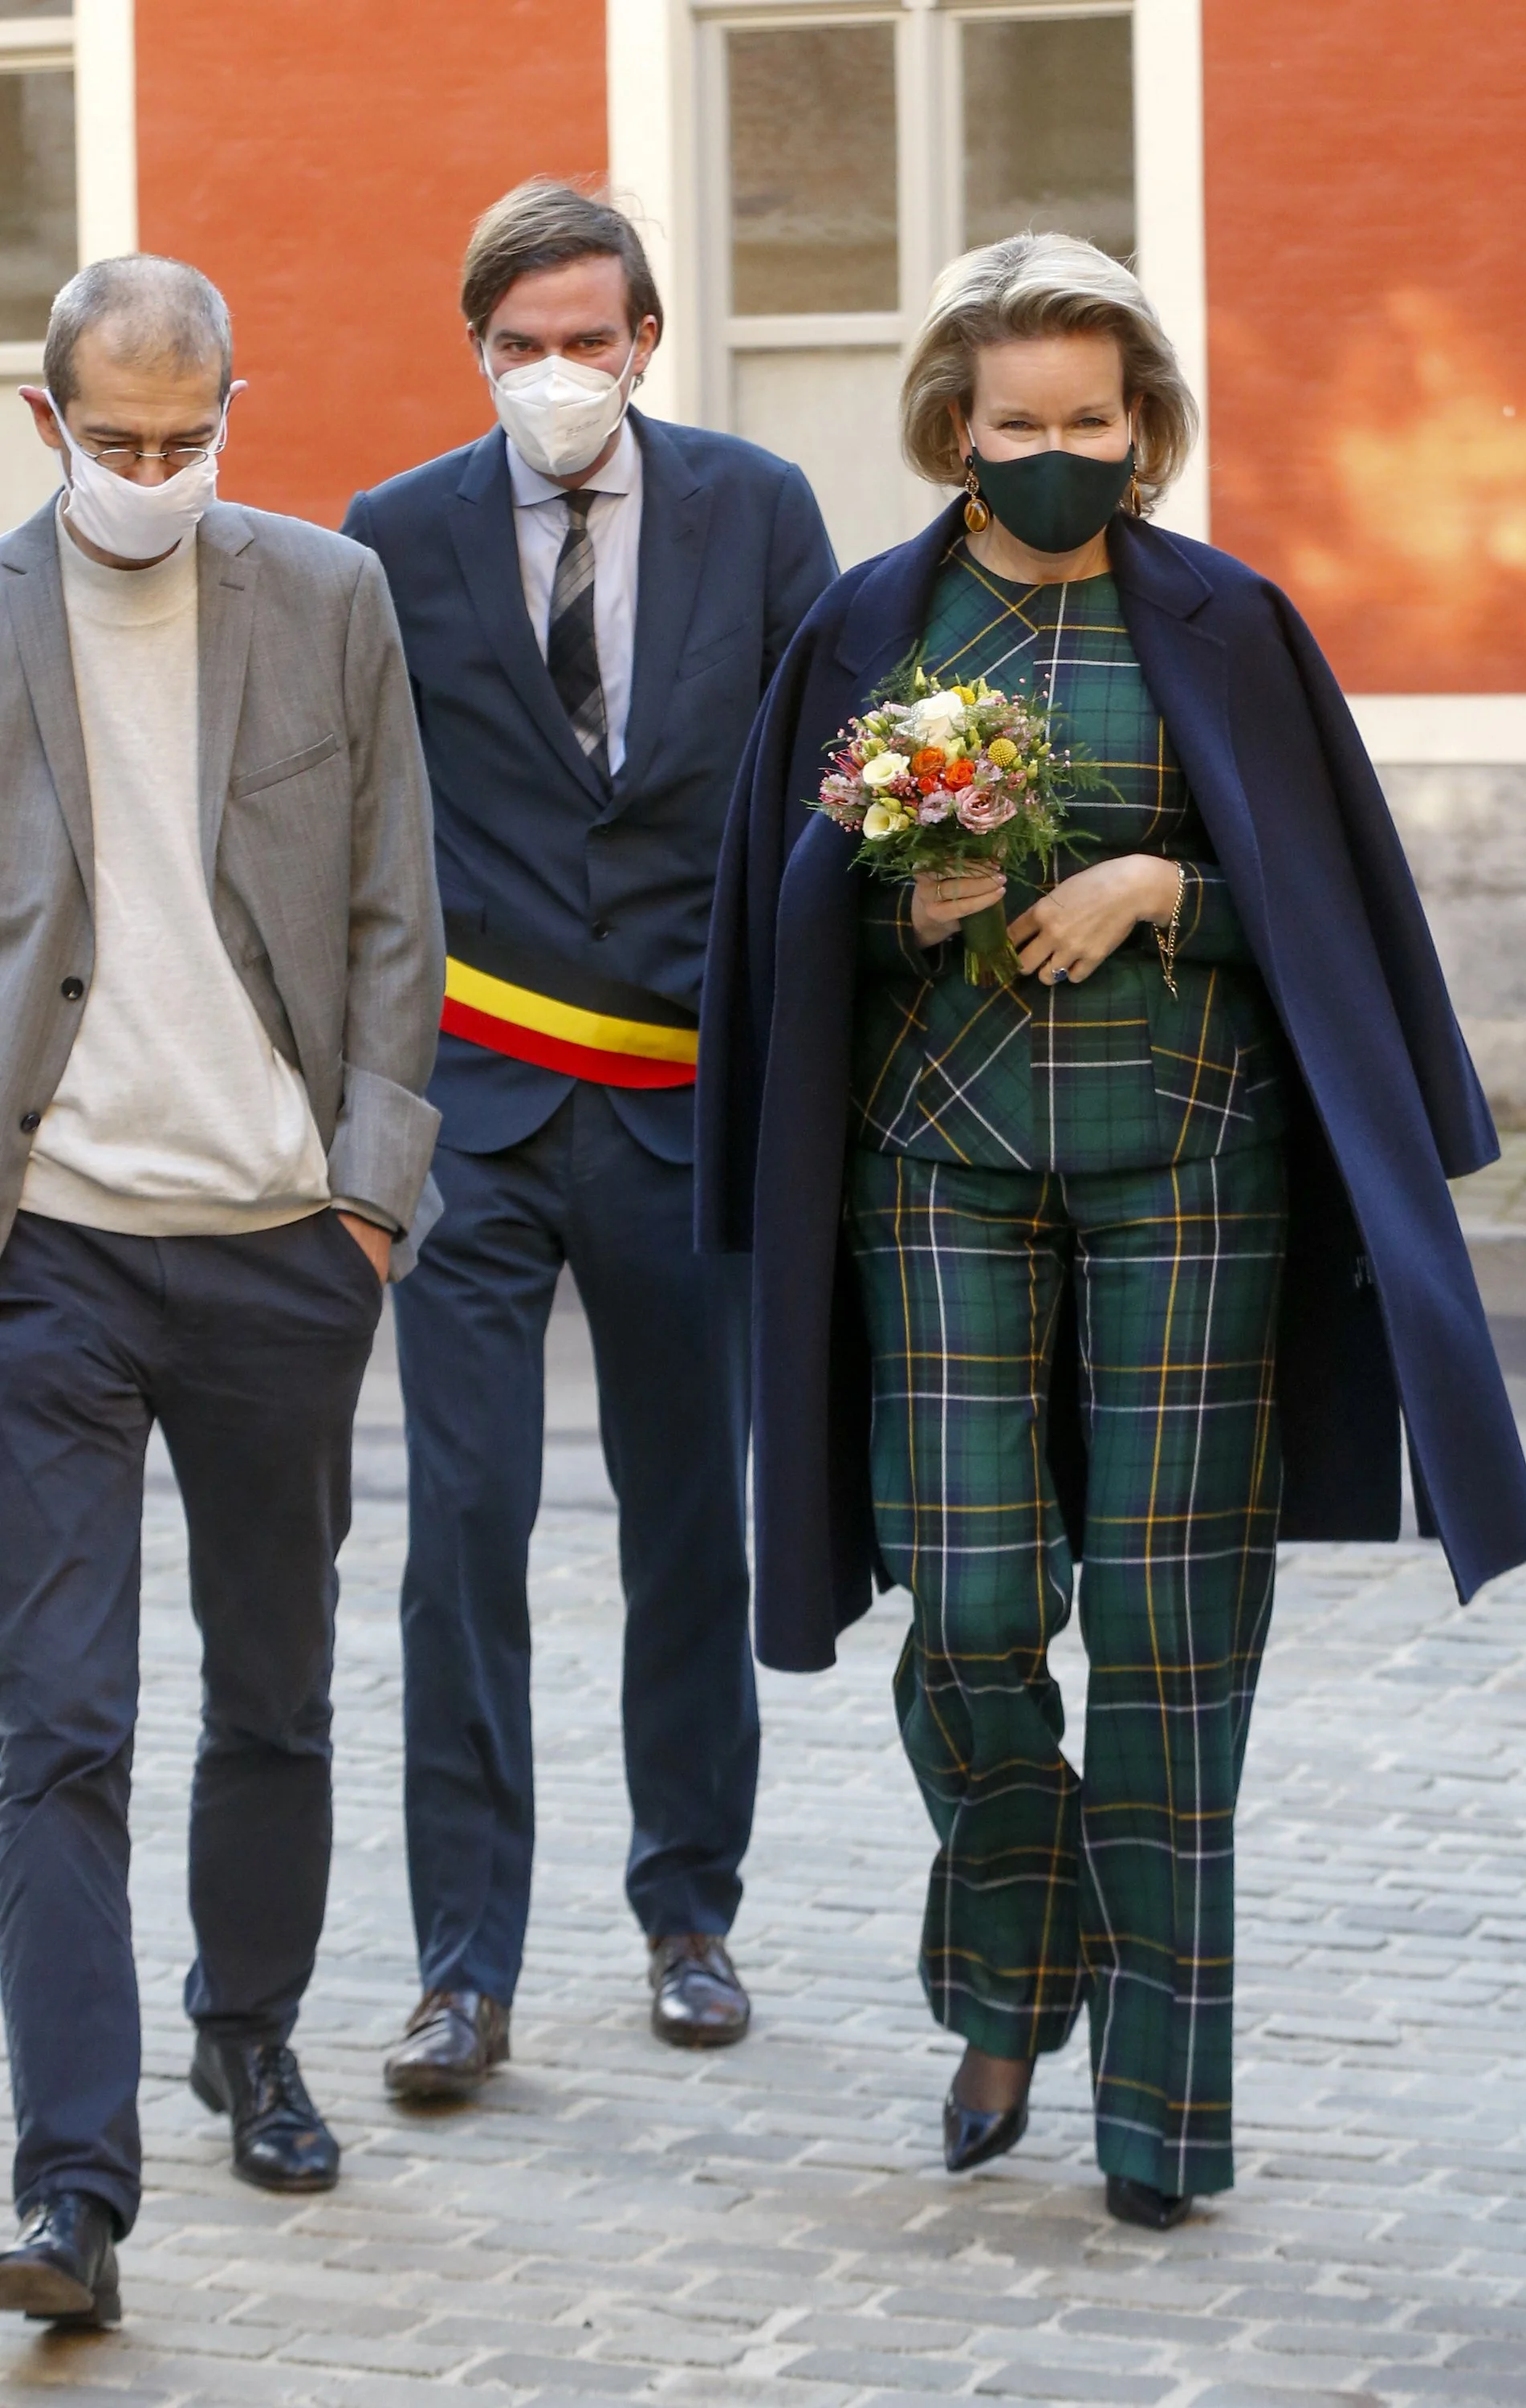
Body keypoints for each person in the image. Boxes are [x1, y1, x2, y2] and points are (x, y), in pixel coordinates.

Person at [696, 234, 1526, 2230]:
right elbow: (781, 914)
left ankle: (1160, 2111)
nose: (1059, 448)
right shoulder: (866, 626)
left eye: (1092, 417)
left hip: (1192, 1166)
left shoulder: (1234, 624)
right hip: (933, 1163)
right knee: (974, 1603)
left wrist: (1168, 886)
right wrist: (895, 903)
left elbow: (1325, 904)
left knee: (1171, 1634)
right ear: (955, 428)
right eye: (1020, 422)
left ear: (1142, 422)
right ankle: (1018, 1949)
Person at [343, 179, 835, 2097]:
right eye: (518, 344)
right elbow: (364, 822)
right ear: (476, 349)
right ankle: (461, 1971)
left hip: (681, 1102)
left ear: (645, 340)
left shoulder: (757, 512)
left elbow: (820, 792)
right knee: (459, 1534)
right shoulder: (393, 533)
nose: (555, 370)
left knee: (688, 1525)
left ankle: (688, 1915)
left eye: (585, 338)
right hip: (470, 1106)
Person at [0, 255, 444, 2328]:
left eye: (190, 439)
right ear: (47, 422)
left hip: (283, 1245)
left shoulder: (330, 598)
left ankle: (247, 2036)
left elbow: (393, 905)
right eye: (119, 441)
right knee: (55, 1720)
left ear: (232, 415)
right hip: (57, 1250)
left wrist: (367, 1200)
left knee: (271, 1686)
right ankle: (70, 2189)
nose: (155, 472)